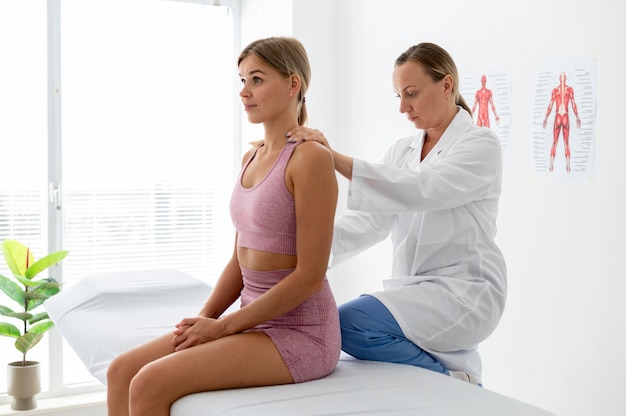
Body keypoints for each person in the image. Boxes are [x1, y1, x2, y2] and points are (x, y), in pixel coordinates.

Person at [106, 37, 340, 416]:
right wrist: (204, 320)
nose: (244, 92)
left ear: (293, 84)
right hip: (254, 320)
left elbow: (310, 277)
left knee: (150, 381)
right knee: (122, 371)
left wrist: (224, 328)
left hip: (300, 332)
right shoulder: (252, 156)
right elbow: (239, 258)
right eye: (243, 80)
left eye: (257, 80)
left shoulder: (310, 158)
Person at [286, 42, 506, 385]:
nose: (404, 107)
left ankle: (450, 381)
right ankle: (451, 375)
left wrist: (334, 158)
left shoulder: (480, 145)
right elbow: (371, 221)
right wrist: (301, 253)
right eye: (398, 95)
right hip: (418, 289)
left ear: (446, 85)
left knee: (348, 323)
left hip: (466, 291)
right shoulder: (402, 151)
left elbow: (424, 188)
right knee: (339, 322)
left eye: (412, 93)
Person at [542, 71, 581, 173]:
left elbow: (550, 105)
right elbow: (573, 104)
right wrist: (577, 117)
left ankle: (551, 165)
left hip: (558, 116)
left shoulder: (555, 91)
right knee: (566, 142)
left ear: (560, 78)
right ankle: (567, 166)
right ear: (565, 78)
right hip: (565, 116)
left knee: (555, 142)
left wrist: (546, 117)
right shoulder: (569, 90)